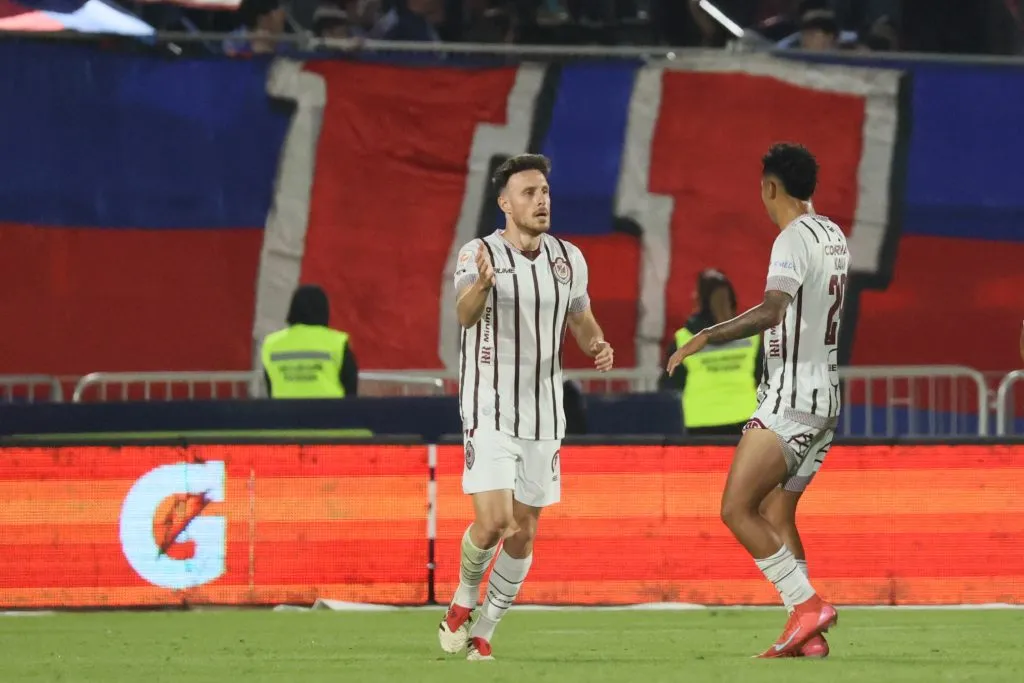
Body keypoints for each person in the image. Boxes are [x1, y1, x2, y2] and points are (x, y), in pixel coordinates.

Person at [667, 143, 844, 658]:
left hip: (789, 400)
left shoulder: (791, 238)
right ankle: (808, 636)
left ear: (771, 187)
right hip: (825, 396)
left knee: (736, 509)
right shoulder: (832, 233)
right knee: (778, 510)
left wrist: (705, 336)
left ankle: (807, 606)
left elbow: (771, 311)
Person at [438, 153, 614, 661]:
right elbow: (464, 315)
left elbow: (581, 317)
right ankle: (464, 597)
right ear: (504, 203)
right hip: (489, 408)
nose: (541, 201)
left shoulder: (569, 259)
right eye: (529, 193)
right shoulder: (478, 253)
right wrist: (482, 286)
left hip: (543, 415)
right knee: (495, 523)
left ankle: (485, 630)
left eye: (545, 192)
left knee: (525, 530)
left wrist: (597, 343)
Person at [659, 269, 762, 436]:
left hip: (700, 420)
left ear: (700, 299)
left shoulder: (684, 339)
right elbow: (764, 377)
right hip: (746, 417)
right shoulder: (751, 335)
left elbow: (669, 383)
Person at [261, 284, 358, 398]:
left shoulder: (271, 343)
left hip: (285, 413)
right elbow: (351, 388)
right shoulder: (337, 342)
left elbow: (270, 385)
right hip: (329, 413)